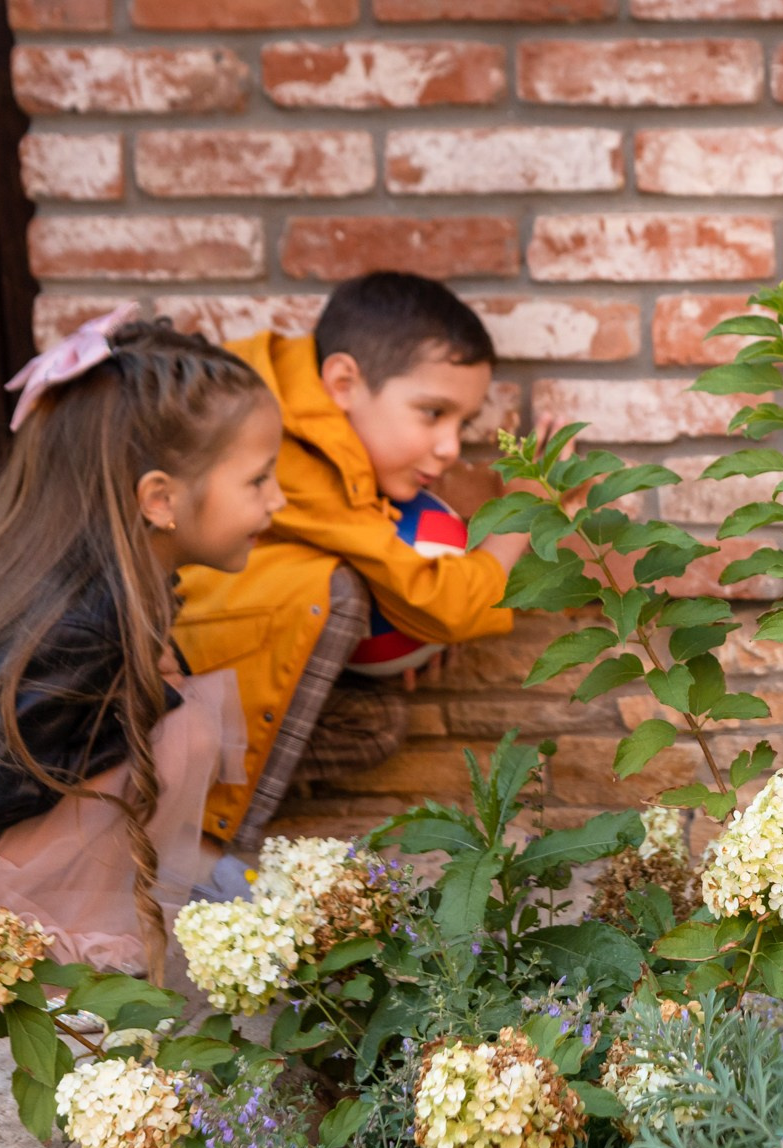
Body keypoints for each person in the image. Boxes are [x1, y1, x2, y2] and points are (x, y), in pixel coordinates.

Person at [0, 311, 285, 979]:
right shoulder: (85, 624)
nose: (278, 499)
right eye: (258, 479)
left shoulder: (94, 577)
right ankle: (57, 925)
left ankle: (150, 879)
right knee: (182, 724)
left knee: (174, 709)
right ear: (160, 499)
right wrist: (138, 706)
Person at [174, 272, 540, 888]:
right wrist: (524, 511)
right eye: (432, 413)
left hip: (203, 650)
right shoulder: (290, 447)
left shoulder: (306, 402)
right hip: (160, 666)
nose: (450, 446)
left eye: (463, 421)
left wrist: (401, 623)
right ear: (343, 382)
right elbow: (444, 602)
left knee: (374, 725)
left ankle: (198, 789)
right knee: (337, 591)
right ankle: (202, 846)